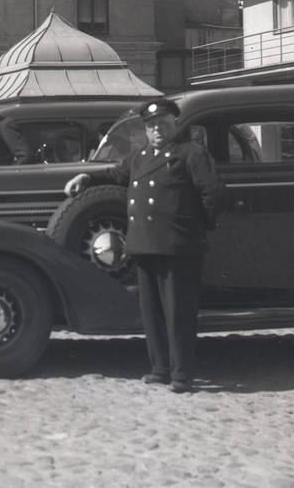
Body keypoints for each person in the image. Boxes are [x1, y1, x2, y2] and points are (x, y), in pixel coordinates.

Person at [64, 98, 225, 394]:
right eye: (152, 126)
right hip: (144, 245)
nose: (158, 129)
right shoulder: (140, 157)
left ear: (174, 125)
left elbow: (211, 193)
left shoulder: (190, 153)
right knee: (152, 313)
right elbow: (116, 174)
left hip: (178, 247)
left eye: (163, 124)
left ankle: (181, 374)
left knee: (178, 313)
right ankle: (160, 368)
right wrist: (87, 176)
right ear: (146, 131)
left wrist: (192, 230)